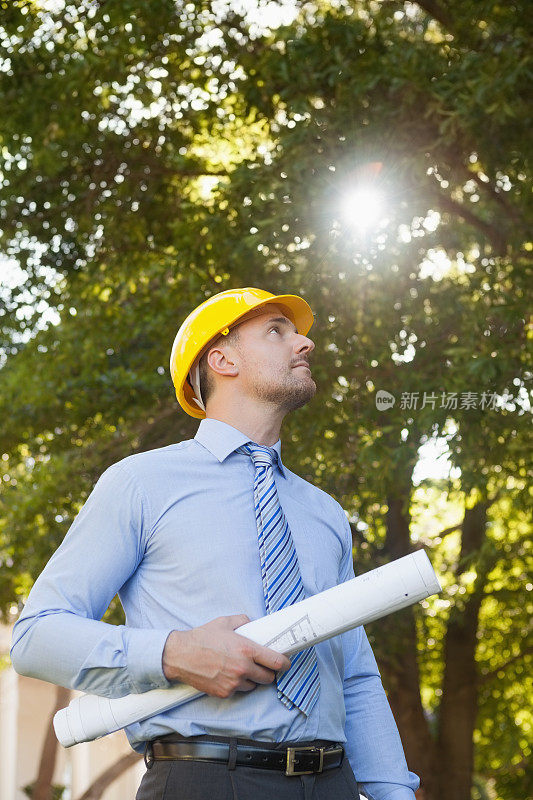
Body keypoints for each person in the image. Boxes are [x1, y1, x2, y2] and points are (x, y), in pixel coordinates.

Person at [11, 287, 420, 799]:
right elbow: (36, 638)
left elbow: (354, 673)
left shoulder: (325, 514)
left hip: (333, 784)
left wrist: (393, 792)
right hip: (203, 780)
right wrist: (173, 653)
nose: (305, 344)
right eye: (278, 331)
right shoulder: (140, 483)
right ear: (222, 358)